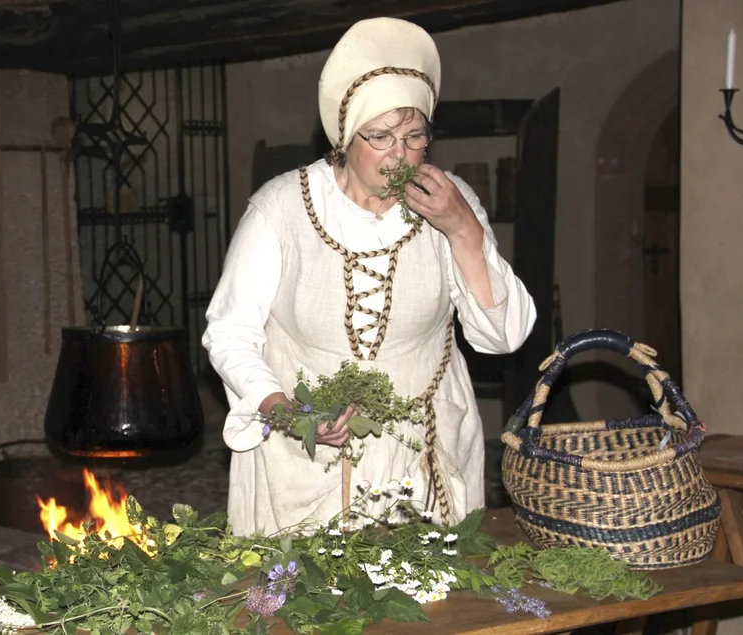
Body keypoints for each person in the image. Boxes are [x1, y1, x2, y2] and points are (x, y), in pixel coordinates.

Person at [203, 17, 536, 537]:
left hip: (422, 454)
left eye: (414, 135)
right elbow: (229, 333)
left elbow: (503, 336)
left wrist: (463, 232)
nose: (399, 153)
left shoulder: (451, 204)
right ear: (343, 137)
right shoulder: (281, 209)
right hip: (303, 454)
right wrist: (286, 411)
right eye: (379, 136)